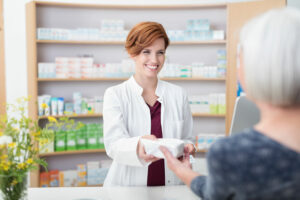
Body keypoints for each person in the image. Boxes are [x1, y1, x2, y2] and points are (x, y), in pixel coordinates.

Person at [161, 7, 300, 199]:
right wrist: (182, 171)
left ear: (256, 70)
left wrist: (178, 169)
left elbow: (218, 194)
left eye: (240, 60)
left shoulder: (235, 153)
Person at [103, 21, 195, 187]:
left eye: (160, 52)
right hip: (128, 188)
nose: (154, 60)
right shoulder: (115, 94)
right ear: (133, 53)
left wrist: (188, 147)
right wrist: (139, 145)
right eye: (147, 52)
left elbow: (186, 137)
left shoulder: (178, 94)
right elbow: (113, 145)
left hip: (171, 185)